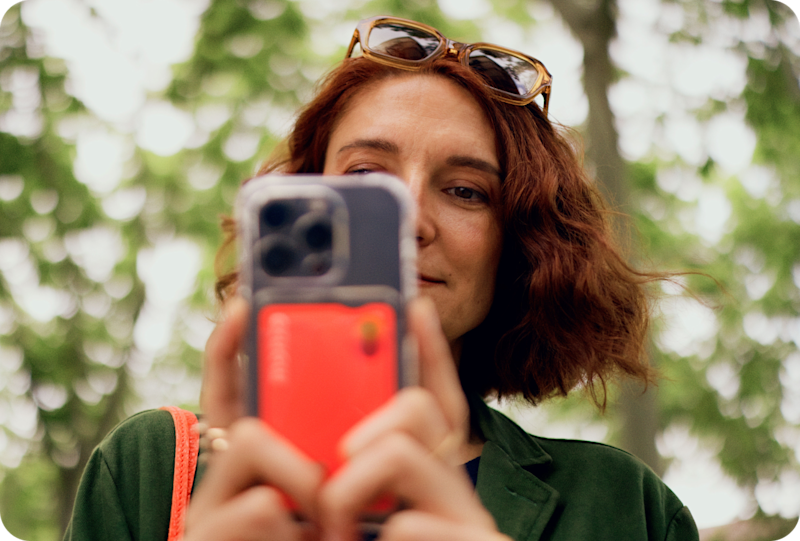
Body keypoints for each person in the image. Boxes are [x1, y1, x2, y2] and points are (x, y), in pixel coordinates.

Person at [64, 15, 700, 541]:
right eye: (367, 178)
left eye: (465, 190)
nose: (411, 221)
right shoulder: (147, 469)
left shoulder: (627, 508)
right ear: (302, 207)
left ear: (518, 245)